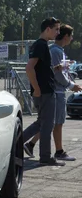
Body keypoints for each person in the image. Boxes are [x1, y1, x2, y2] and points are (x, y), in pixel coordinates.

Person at [24, 24, 82, 161]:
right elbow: (54, 75)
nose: (72, 38)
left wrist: (63, 68)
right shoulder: (52, 49)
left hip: (53, 91)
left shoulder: (55, 50)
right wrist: (71, 85)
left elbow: (54, 70)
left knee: (47, 122)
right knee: (53, 122)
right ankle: (55, 151)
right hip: (53, 92)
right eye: (56, 29)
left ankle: (31, 145)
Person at [22, 17, 62, 166]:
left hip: (43, 91)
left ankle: (15, 143)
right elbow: (29, 68)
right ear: (48, 29)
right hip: (44, 92)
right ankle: (45, 157)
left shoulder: (40, 45)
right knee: (47, 125)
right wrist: (37, 89)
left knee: (41, 123)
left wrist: (56, 68)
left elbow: (40, 69)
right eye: (56, 29)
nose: (58, 32)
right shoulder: (41, 45)